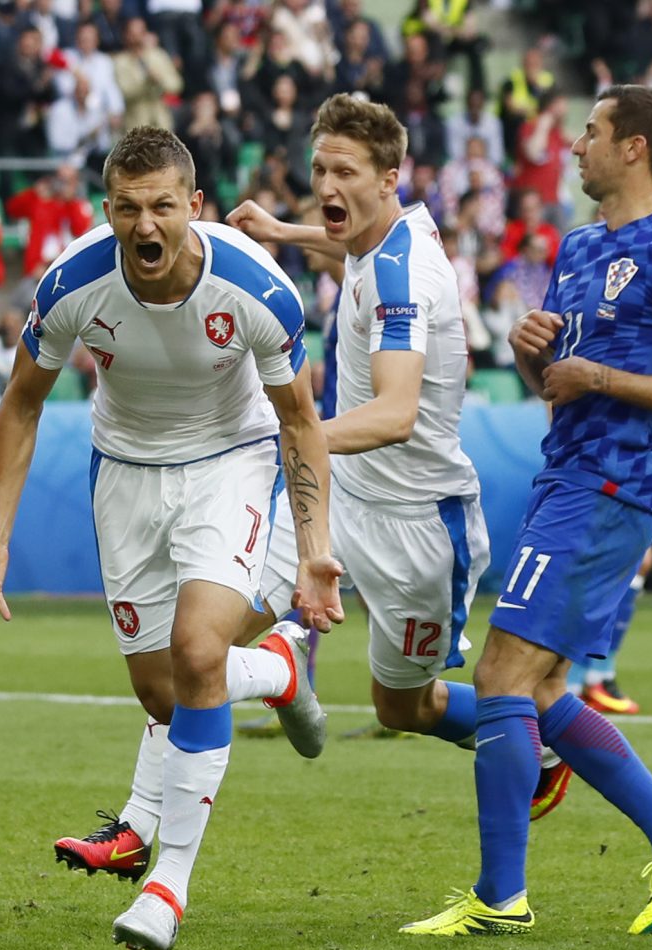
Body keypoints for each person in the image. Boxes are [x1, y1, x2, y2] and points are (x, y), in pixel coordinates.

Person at [0, 127, 344, 950]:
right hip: (124, 471)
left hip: (228, 462)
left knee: (199, 653)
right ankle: (278, 669)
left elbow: (299, 422)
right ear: (108, 211)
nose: (145, 224)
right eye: (127, 208)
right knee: (164, 693)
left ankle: (169, 886)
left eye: (162, 205)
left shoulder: (256, 290)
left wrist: (313, 549)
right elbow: (21, 404)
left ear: (192, 207)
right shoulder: (73, 285)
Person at [403, 85, 652, 939]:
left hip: (610, 487)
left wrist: (600, 379)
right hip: (567, 474)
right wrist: (533, 360)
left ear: (633, 148)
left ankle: (501, 897)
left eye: (589, 132)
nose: (573, 146)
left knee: (503, 678)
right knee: (542, 687)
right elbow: (561, 385)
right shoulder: (579, 247)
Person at [227, 94, 509, 790]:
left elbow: (395, 415)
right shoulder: (380, 236)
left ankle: (543, 737)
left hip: (418, 526)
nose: (327, 186)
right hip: (342, 491)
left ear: (389, 178)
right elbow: (344, 246)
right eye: (320, 168)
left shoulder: (401, 274)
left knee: (403, 706)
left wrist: (296, 434)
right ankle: (280, 678)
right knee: (213, 631)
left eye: (346, 172)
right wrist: (280, 231)